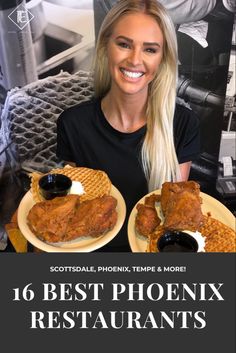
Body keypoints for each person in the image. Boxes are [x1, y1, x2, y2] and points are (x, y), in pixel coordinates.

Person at [56, 0, 200, 252]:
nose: (135, 60)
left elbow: (175, 215)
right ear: (105, 47)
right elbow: (73, 206)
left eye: (150, 49)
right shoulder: (72, 124)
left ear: (163, 58)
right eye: (124, 44)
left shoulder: (183, 124)